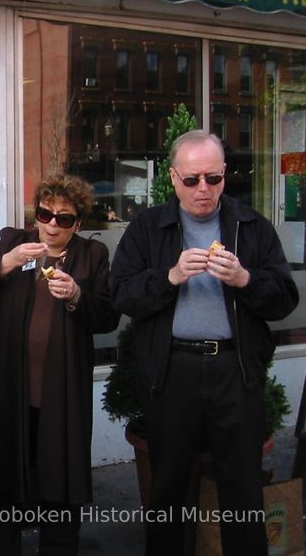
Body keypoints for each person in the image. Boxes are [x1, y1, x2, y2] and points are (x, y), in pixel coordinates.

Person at [110, 130, 298, 556]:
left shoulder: (251, 227)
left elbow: (285, 299)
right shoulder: (147, 228)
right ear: (173, 178)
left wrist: (245, 280)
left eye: (213, 178)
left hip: (235, 370)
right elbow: (121, 294)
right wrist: (170, 277)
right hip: (172, 371)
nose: (203, 189)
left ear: (225, 175)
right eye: (192, 179)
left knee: (243, 489)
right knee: (168, 487)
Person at [0, 175, 119, 555]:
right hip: (9, 387)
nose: (52, 225)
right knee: (3, 482)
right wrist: (6, 263)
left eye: (64, 219)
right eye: (46, 214)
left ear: (78, 224)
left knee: (59, 483)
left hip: (59, 392)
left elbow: (109, 317)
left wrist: (78, 295)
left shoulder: (91, 256)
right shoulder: (15, 243)